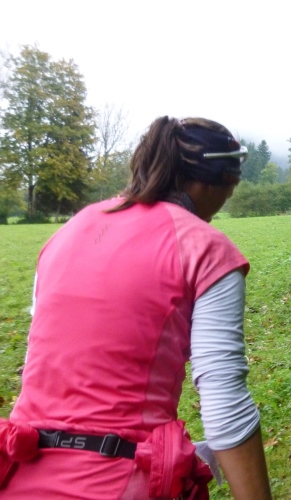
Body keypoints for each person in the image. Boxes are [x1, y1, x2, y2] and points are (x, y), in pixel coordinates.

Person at [0, 117, 272, 499]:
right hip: (117, 480)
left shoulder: (64, 235)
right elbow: (224, 404)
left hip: (23, 473)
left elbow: (39, 360)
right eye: (232, 188)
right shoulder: (206, 248)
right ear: (214, 182)